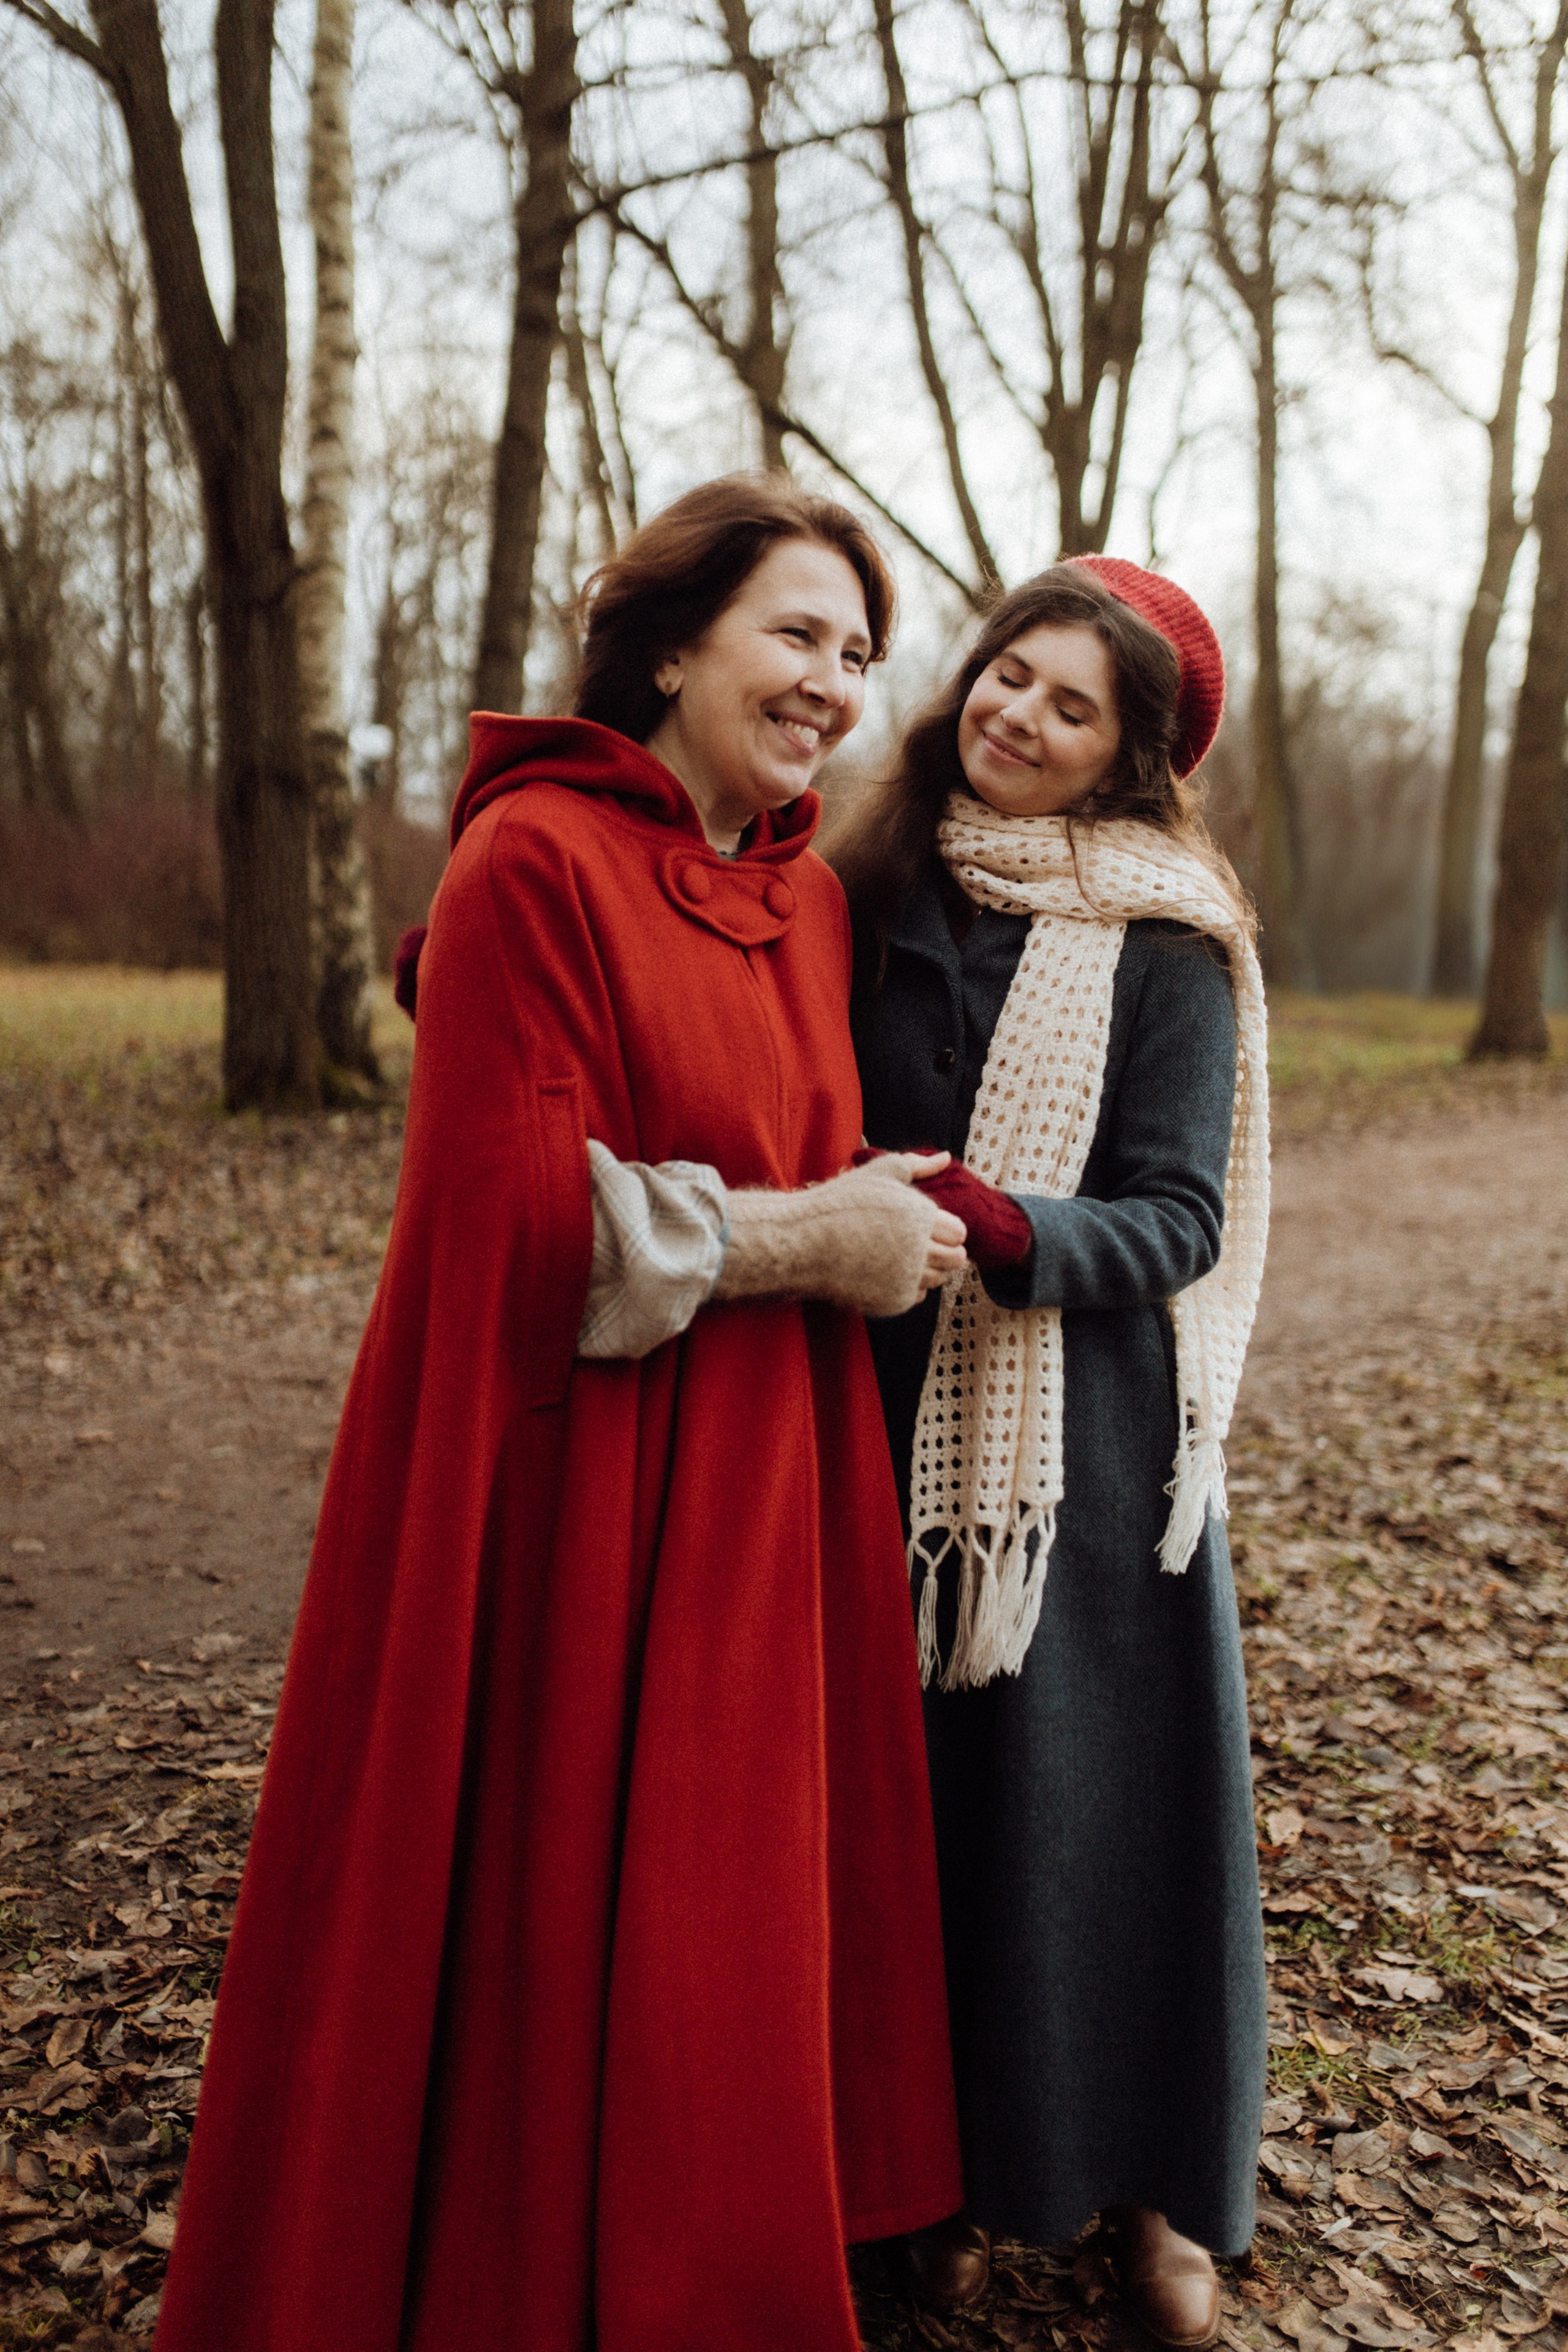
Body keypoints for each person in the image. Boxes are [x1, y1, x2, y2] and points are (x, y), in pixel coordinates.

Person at [154, 475, 968, 2352]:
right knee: (570, 1913)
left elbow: (796, 1158)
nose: (833, 684)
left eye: (858, 653)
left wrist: (874, 1207)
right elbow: (518, 1232)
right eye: (795, 634)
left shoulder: (809, 900)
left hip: (769, 1481)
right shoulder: (528, 864)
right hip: (578, 1488)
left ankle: (714, 2245)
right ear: (672, 644)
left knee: (722, 1930)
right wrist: (816, 1235)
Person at [829, 557, 1271, 2351]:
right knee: (917, 1822)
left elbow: (1177, 1216)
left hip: (1078, 1463)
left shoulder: (1171, 940)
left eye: (1071, 707)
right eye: (1011, 675)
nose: (1017, 716)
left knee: (1105, 1829)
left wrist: (1011, 1232)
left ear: (1127, 759)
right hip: (859, 1406)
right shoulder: (857, 876)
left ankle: (1162, 2189)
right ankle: (935, 2180)